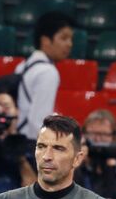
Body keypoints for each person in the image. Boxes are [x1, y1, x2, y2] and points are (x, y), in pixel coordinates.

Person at [14, 12, 76, 143]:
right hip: (30, 144)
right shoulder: (48, 72)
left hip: (16, 140)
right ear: (45, 41)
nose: (69, 44)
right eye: (64, 38)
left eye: (71, 39)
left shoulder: (23, 65)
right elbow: (37, 121)